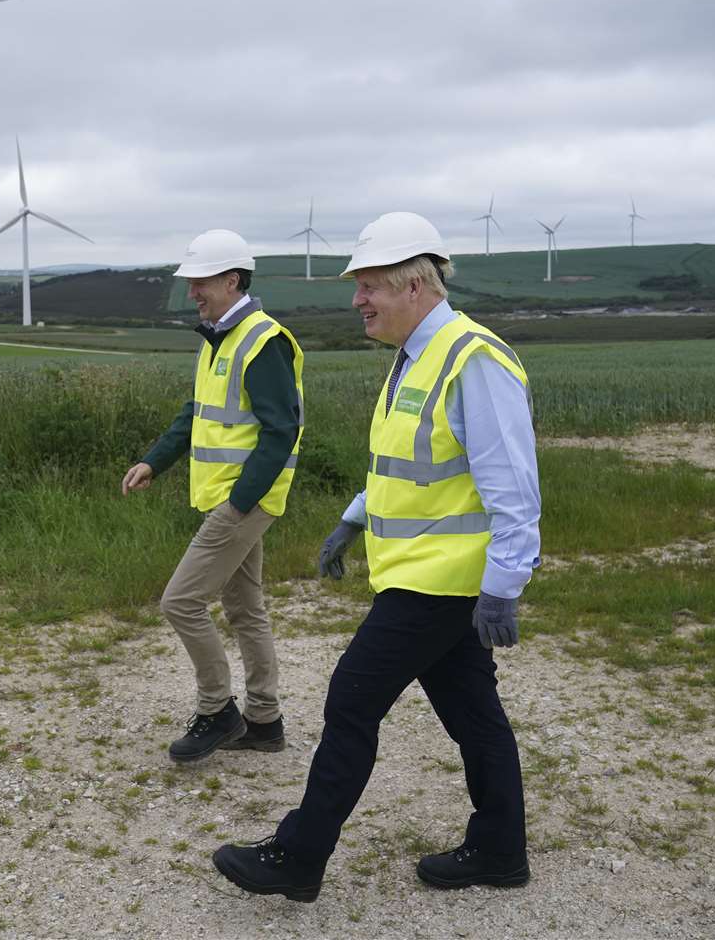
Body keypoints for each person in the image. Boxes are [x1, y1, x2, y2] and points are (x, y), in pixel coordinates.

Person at [211, 211, 541, 902]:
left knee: (351, 699)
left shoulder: (471, 358)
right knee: (474, 715)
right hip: (420, 574)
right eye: (358, 286)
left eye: (369, 286)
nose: (357, 300)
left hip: (441, 583)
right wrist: (353, 519)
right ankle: (500, 850)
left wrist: (504, 585)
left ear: (415, 286)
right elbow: (407, 465)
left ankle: (298, 858)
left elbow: (512, 485)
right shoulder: (417, 356)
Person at [121, 229, 306, 763]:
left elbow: (280, 431)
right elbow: (196, 413)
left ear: (232, 280)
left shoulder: (262, 340)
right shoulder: (219, 337)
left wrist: (243, 501)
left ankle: (216, 710)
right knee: (245, 608)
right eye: (190, 283)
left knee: (180, 602)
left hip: (241, 501)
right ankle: (265, 722)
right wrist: (154, 460)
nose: (192, 292)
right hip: (228, 497)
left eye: (200, 282)